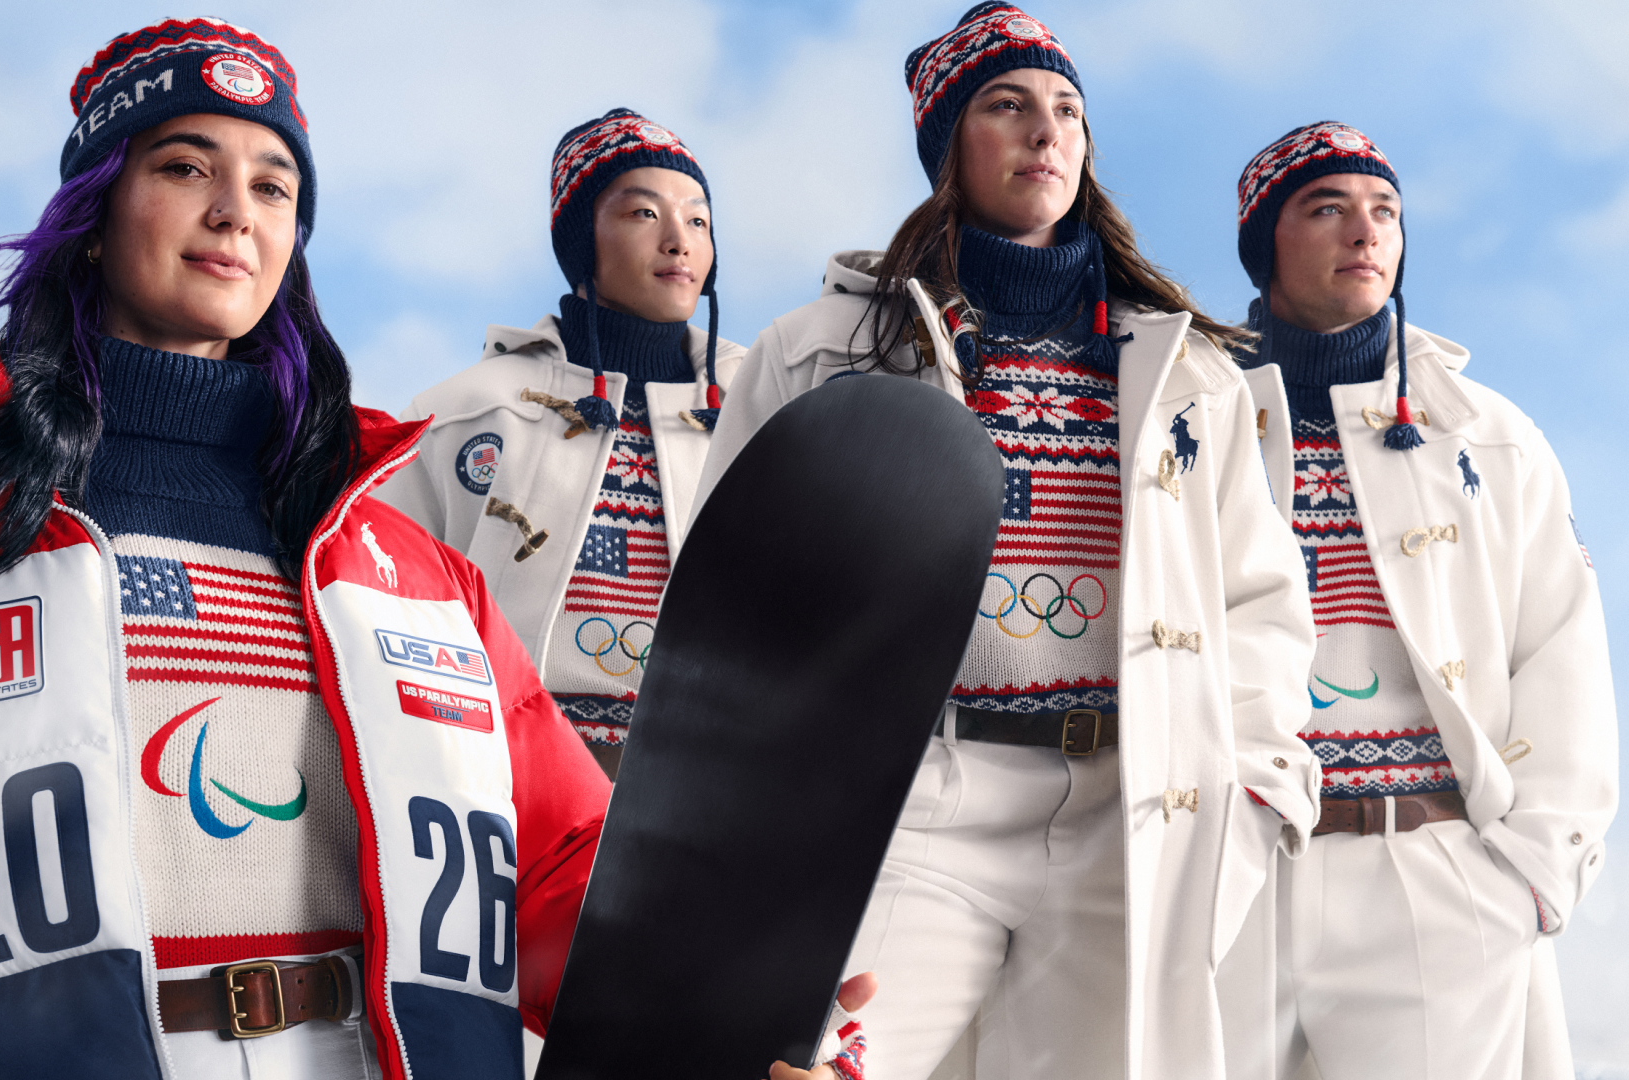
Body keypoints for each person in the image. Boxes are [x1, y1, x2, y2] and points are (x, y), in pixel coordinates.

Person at [0, 19, 613, 1079]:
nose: (235, 210)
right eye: (186, 166)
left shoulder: (413, 575)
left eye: (275, 189)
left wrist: (752, 998)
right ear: (94, 217)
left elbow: (562, 871)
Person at [693, 5, 1320, 1078]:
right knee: (817, 1063)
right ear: (948, 146)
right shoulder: (818, 349)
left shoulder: (1188, 373)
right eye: (1008, 105)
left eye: (1068, 110)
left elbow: (1260, 601)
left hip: (1130, 816)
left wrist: (1257, 786)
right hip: (906, 798)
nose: (1047, 131)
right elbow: (726, 587)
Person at [1221, 121, 1617, 1080]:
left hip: (1435, 871)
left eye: (1385, 212)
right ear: (1267, 242)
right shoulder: (1194, 420)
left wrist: (1529, 874)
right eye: (1327, 209)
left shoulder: (1490, 436)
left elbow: (1561, 649)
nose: (1365, 232)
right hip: (1236, 876)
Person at [383, 109, 744, 780]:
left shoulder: (764, 406)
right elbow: (383, 603)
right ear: (584, 244)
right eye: (643, 214)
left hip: (712, 777)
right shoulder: (466, 411)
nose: (680, 241)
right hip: (511, 777)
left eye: (698, 221)